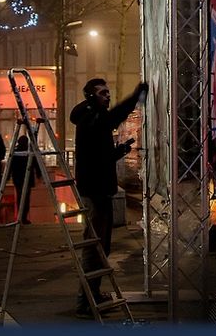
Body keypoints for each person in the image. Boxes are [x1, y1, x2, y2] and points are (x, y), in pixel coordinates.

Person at [71, 77, 147, 317]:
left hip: (100, 189)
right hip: (95, 192)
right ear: (91, 95)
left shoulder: (94, 119)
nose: (107, 96)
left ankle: (93, 294)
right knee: (94, 248)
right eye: (103, 92)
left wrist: (119, 151)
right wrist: (135, 97)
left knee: (101, 246)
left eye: (108, 92)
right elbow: (113, 117)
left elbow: (99, 157)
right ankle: (85, 302)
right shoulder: (91, 118)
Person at [10, 134, 42, 224]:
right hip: (27, 179)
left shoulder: (15, 153)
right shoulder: (29, 153)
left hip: (18, 179)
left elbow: (10, 166)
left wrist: (8, 176)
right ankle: (24, 217)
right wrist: (39, 174)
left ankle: (20, 217)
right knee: (26, 199)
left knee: (20, 198)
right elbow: (36, 164)